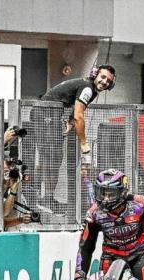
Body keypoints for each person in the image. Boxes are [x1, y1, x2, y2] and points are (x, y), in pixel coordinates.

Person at [25, 65, 116, 214]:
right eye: (103, 77)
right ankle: (38, 195)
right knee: (51, 157)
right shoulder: (87, 89)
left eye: (108, 80)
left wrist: (70, 121)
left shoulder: (89, 88)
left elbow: (74, 112)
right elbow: (79, 116)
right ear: (95, 75)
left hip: (50, 113)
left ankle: (44, 197)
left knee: (53, 157)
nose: (104, 82)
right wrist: (84, 143)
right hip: (45, 113)